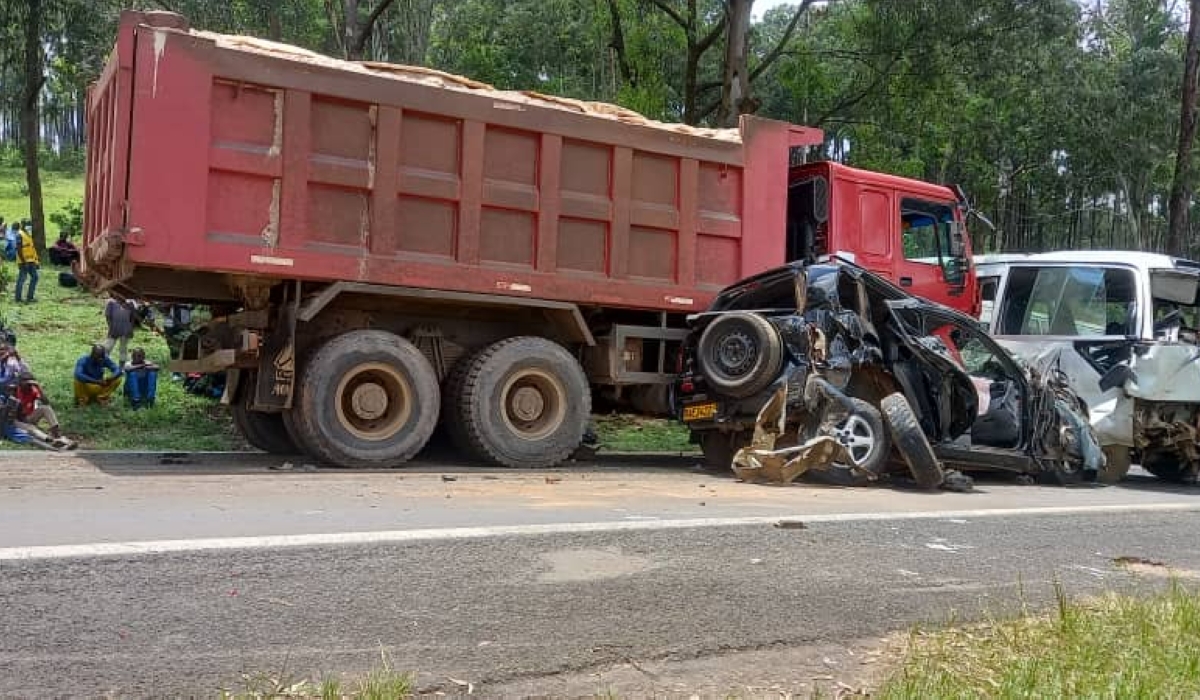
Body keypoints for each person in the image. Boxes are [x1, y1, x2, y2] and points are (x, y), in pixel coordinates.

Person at [14, 372, 74, 448]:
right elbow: (13, 412)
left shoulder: (32, 390)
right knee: (32, 428)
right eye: (25, 383)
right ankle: (52, 441)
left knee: (45, 408)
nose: (28, 386)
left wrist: (39, 387)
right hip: (16, 421)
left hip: (29, 417)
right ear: (20, 383)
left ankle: (57, 435)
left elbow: (46, 402)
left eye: (29, 384)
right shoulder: (14, 390)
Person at [103, 297, 136, 365]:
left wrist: (130, 328)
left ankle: (122, 364)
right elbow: (107, 316)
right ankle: (104, 362)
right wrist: (111, 327)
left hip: (126, 329)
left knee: (123, 348)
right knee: (108, 346)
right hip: (114, 328)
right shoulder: (111, 303)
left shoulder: (130, 303)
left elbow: (133, 317)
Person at [14, 223, 39, 303]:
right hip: (24, 262)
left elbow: (32, 249)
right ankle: (18, 298)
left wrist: (36, 261)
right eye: (27, 225)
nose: (29, 227)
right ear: (23, 225)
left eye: (30, 225)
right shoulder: (19, 235)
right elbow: (19, 249)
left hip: (31, 261)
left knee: (35, 277)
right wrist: (23, 261)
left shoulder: (28, 235)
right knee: (22, 279)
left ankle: (30, 297)